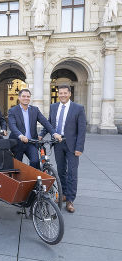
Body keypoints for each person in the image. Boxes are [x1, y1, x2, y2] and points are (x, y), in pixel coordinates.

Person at [39, 85, 86, 213]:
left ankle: (70, 200)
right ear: (58, 94)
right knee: (60, 171)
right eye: (60, 93)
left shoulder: (78, 108)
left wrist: (79, 147)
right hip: (58, 143)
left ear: (70, 94)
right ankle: (64, 194)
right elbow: (49, 124)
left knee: (72, 172)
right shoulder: (54, 107)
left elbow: (82, 130)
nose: (63, 95)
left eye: (65, 93)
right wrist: (41, 135)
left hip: (72, 145)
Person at [8, 89, 62, 169]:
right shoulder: (13, 110)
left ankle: (31, 178)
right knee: (17, 166)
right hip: (17, 142)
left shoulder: (35, 110)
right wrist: (21, 136)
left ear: (30, 98)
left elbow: (45, 122)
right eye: (23, 96)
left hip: (31, 142)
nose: (26, 98)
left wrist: (54, 133)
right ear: (19, 98)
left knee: (35, 161)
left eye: (28, 96)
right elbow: (12, 126)